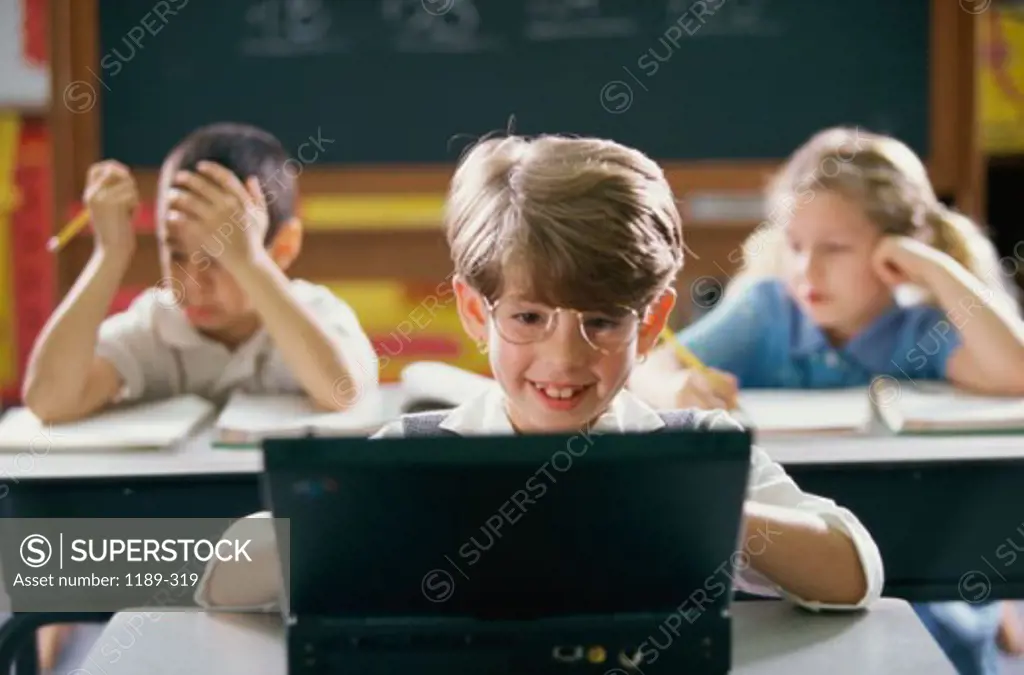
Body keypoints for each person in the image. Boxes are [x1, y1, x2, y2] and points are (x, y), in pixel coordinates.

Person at [194, 133, 884, 620]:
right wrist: (367, 514)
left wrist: (699, 505)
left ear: (650, 322)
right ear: (473, 309)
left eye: (604, 321)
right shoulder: (419, 452)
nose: (564, 358)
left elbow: (855, 572)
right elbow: (221, 579)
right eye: (528, 317)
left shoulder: (694, 449)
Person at [629, 126, 1024, 674]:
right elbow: (648, 362)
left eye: (834, 249)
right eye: (794, 246)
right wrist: (674, 386)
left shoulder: (916, 328)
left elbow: (1017, 372)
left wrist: (929, 263)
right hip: (790, 568)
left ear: (894, 253)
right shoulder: (768, 312)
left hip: (915, 557)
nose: (806, 271)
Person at [22, 122, 378, 423]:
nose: (193, 280)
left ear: (282, 248)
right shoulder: (157, 327)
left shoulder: (314, 312)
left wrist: (249, 261)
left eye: (220, 259)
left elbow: (341, 393)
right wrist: (110, 253)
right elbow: (49, 402)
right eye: (176, 254)